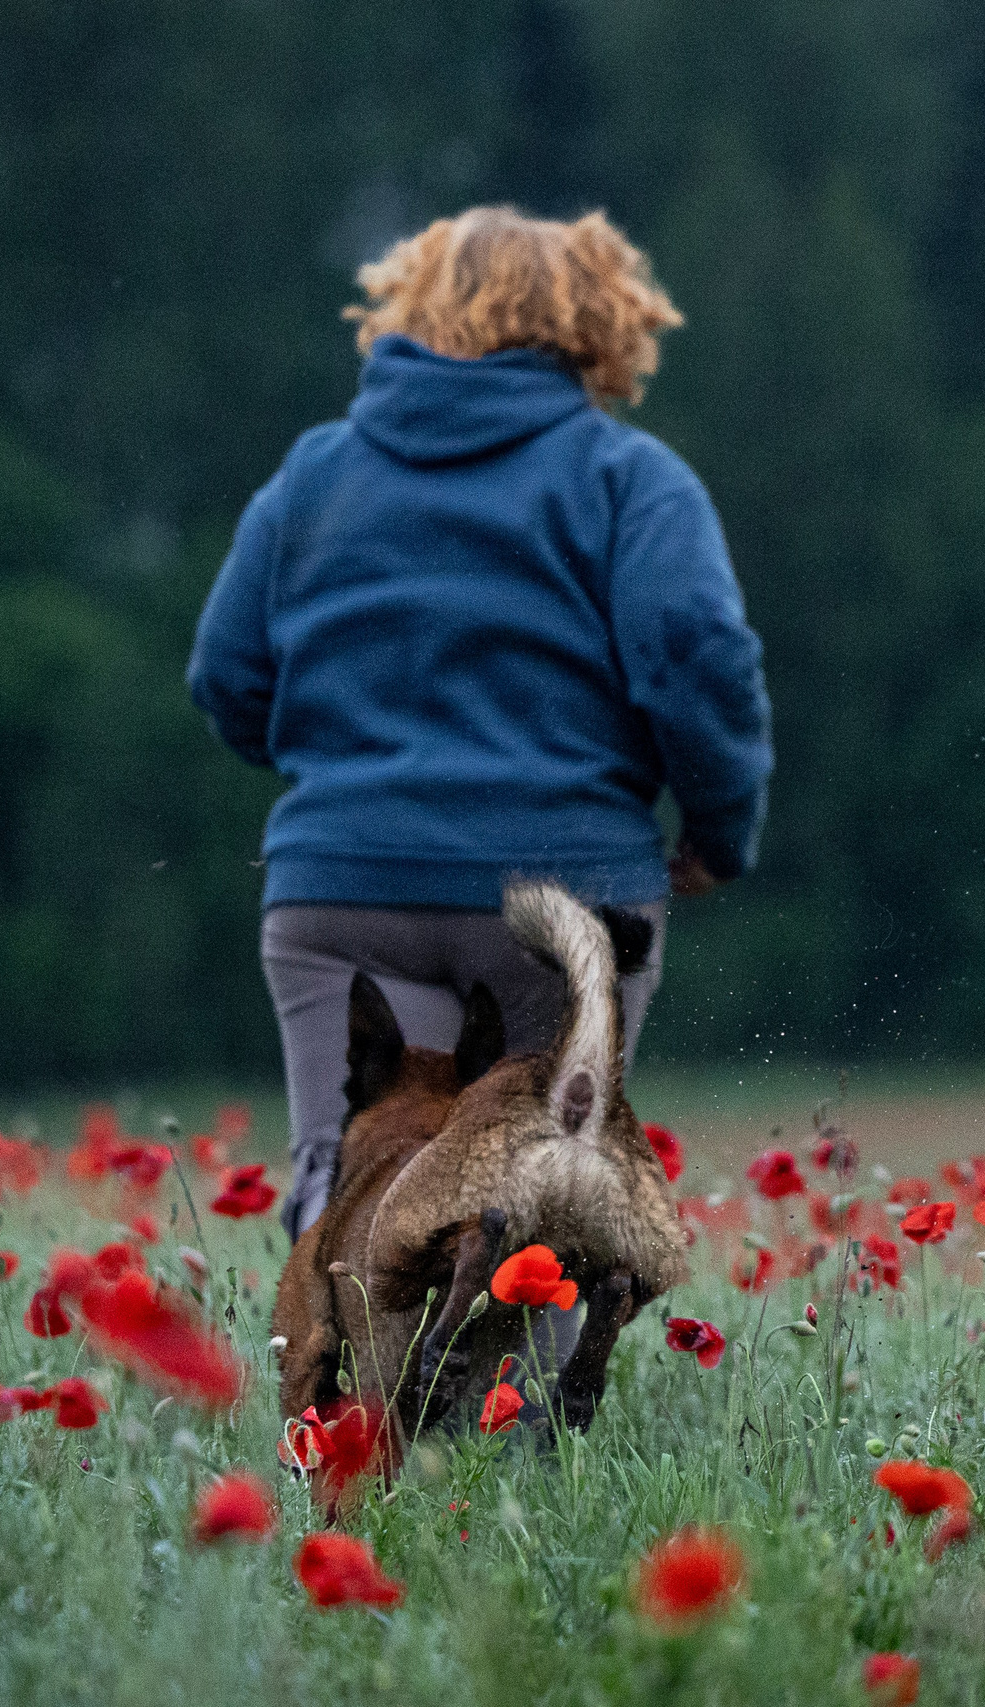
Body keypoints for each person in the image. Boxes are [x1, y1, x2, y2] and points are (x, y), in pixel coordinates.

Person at [187, 206, 772, 1241]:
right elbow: (696, 661)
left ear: (407, 308)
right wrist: (718, 831)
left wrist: (348, 783)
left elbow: (227, 675)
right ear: (600, 322)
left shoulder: (314, 475)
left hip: (343, 894)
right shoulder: (630, 480)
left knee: (361, 1187)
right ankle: (526, 1345)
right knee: (542, 1201)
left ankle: (342, 1329)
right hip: (563, 902)